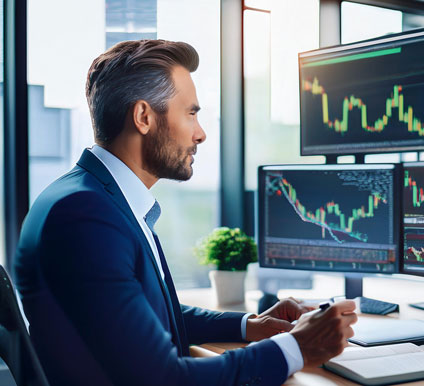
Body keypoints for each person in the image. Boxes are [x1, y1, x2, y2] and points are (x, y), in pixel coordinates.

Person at [14, 39, 357, 386]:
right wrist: (297, 347)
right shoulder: (85, 218)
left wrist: (248, 325)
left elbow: (147, 315)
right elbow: (164, 379)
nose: (201, 133)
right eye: (191, 113)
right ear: (144, 117)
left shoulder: (93, 197)